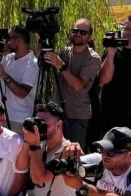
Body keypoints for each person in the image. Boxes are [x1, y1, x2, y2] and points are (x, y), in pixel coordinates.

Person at [42, 19, 101, 149]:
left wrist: (61, 66)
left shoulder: (93, 58)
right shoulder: (64, 51)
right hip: (57, 113)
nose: (78, 34)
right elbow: (43, 63)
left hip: (77, 114)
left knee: (73, 155)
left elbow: (78, 85)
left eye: (83, 32)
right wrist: (42, 39)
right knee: (54, 152)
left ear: (90, 36)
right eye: (75, 31)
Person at [98, 15, 131, 136]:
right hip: (113, 110)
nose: (127, 32)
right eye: (126, 28)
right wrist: (111, 54)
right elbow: (103, 80)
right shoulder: (112, 51)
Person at [0, 25, 39, 132]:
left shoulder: (32, 63)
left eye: (9, 38)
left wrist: (4, 74)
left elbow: (22, 93)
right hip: (2, 115)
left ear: (19, 40)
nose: (6, 42)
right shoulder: (8, 58)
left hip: (19, 119)